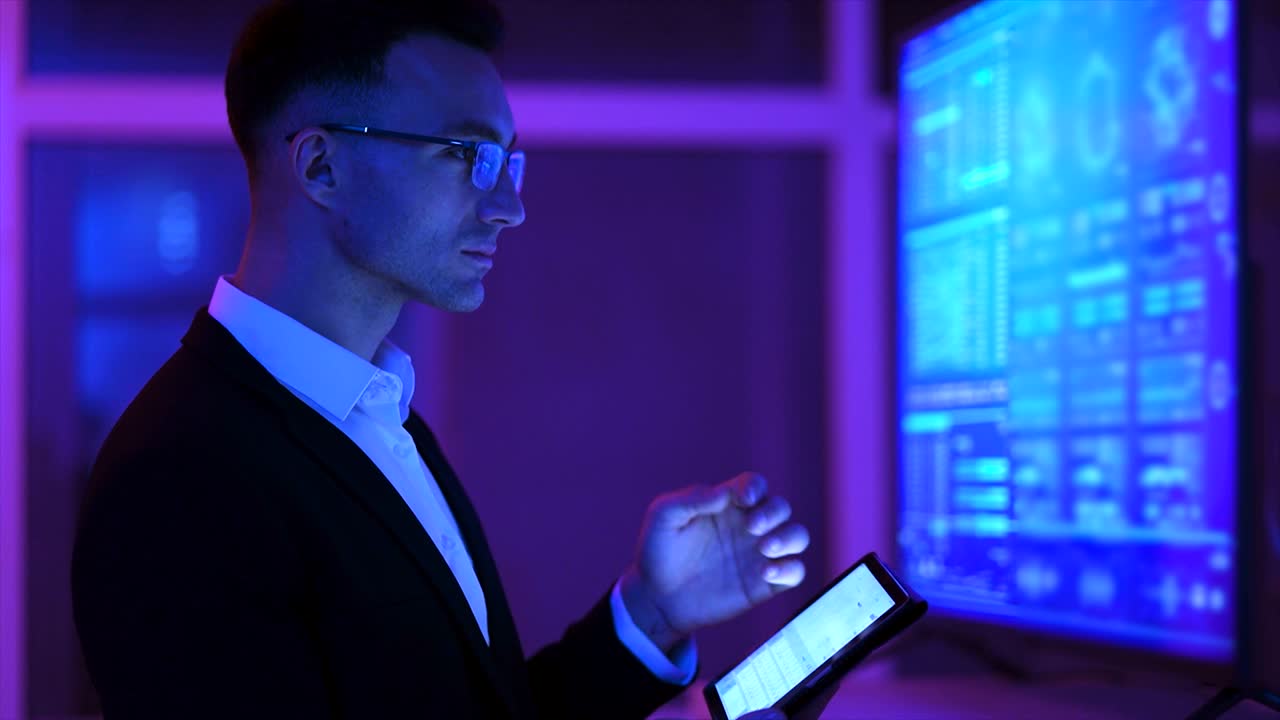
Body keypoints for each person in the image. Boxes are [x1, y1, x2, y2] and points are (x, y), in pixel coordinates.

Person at [70, 2, 826, 718]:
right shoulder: (180, 477)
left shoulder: (375, 412)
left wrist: (650, 612)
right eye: (468, 155)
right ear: (322, 167)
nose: (509, 206)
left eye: (509, 163)